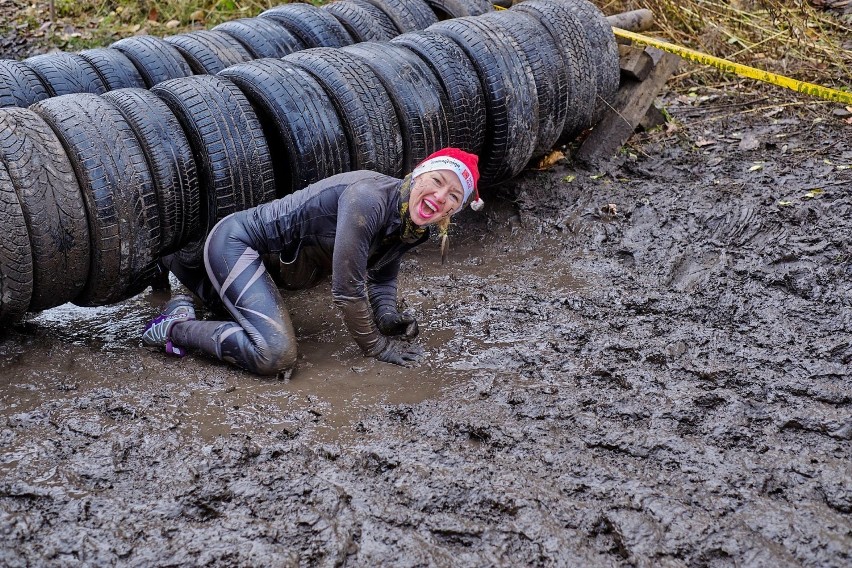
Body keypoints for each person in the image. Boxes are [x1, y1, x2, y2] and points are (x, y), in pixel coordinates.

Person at [141, 148, 483, 376]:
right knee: (275, 355)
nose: (440, 197)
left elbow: (380, 279)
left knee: (249, 324)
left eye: (454, 196)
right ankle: (170, 328)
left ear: (456, 209)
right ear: (419, 174)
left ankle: (187, 295)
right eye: (438, 181)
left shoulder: (415, 225)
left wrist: (389, 318)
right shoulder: (368, 199)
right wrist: (378, 347)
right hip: (237, 244)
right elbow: (347, 292)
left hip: (271, 270)